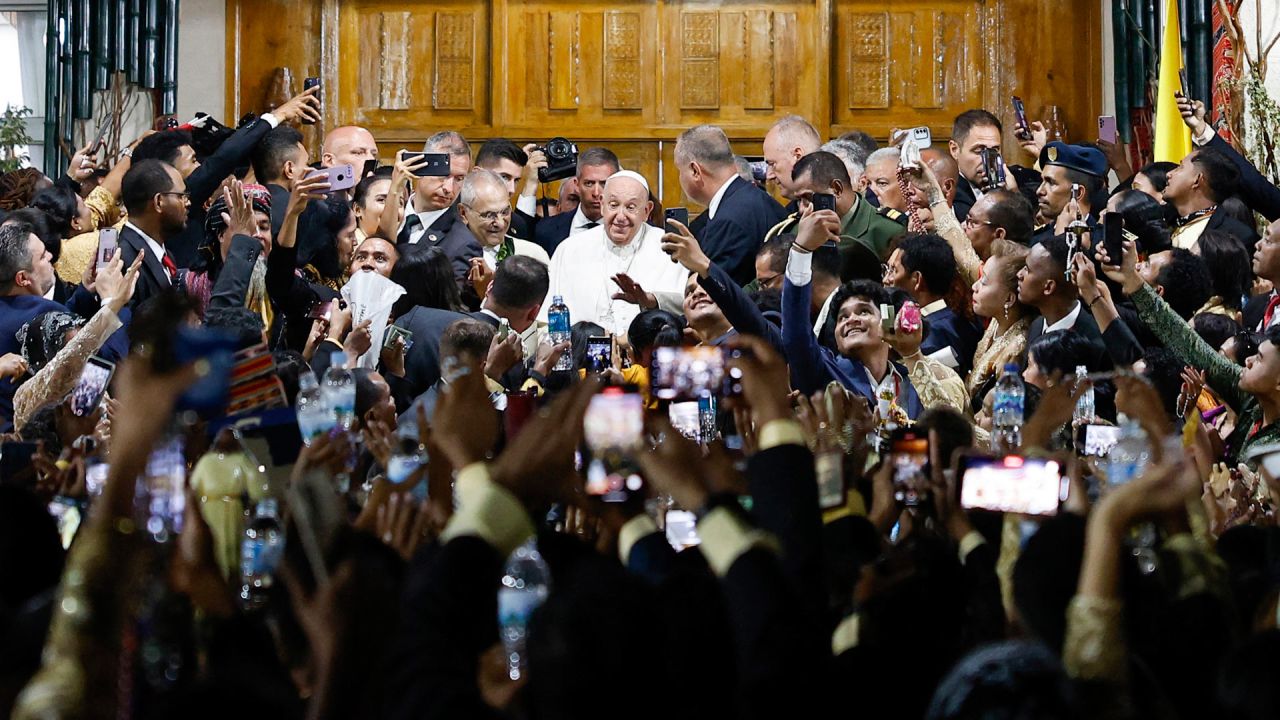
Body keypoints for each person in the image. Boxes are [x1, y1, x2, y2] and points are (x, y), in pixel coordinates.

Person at [129, 86, 319, 265]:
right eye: (194, 160)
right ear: (168, 172)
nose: (202, 166)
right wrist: (278, 115)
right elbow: (221, 160)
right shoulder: (178, 206)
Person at [542, 171, 687, 336]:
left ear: (647, 210)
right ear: (602, 205)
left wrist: (652, 300)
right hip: (583, 356)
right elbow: (547, 321)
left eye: (630, 207)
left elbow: (688, 309)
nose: (620, 216)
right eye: (613, 204)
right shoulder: (570, 249)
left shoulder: (670, 247)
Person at [672, 125, 785, 285]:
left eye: (679, 170)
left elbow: (715, 296)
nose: (680, 178)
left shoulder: (727, 221)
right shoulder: (760, 199)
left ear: (695, 171)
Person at [766, 150, 905, 275]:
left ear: (836, 189)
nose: (802, 209)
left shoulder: (888, 230)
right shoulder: (795, 232)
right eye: (799, 200)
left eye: (808, 198)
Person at [883, 234, 982, 377]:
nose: (886, 279)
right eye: (886, 270)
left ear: (917, 280)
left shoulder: (928, 337)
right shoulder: (957, 315)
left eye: (893, 270)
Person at [451, 169, 550, 306]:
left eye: (505, 212)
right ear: (463, 213)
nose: (500, 223)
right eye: (489, 215)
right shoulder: (453, 257)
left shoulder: (532, 254)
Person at [968, 240, 1035, 415]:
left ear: (1009, 299)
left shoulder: (1017, 348)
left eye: (984, 282)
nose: (975, 287)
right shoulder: (997, 320)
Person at [1018, 235, 1107, 362]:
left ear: (1048, 287)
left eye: (1027, 270)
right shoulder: (1037, 326)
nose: (1019, 274)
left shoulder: (1093, 345)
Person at [116, 160, 190, 308]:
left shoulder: (166, 255)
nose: (187, 203)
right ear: (158, 202)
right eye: (181, 196)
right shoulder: (123, 260)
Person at [947, 109, 1041, 221]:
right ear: (954, 150)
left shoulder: (1014, 179)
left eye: (995, 151)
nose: (988, 160)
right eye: (979, 151)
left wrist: (1040, 153)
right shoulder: (948, 193)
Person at [1163, 147, 1259, 250]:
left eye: (1180, 167)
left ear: (1197, 180)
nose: (1169, 174)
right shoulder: (1164, 224)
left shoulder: (1237, 237)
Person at [532, 147, 621, 254]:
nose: (596, 193)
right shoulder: (546, 229)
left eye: (604, 184)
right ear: (577, 184)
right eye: (589, 183)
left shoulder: (630, 228)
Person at [396, 131, 472, 246]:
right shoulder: (385, 213)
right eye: (443, 174)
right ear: (421, 165)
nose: (449, 188)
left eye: (459, 179)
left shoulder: (463, 243)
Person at [1031, 142, 1108, 246]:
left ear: (1078, 193)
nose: (1040, 191)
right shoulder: (1036, 241)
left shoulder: (1105, 245)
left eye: (1051, 183)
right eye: (1042, 181)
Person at [474, 138, 547, 240]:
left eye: (516, 180)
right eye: (504, 177)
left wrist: (531, 184)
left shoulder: (516, 223)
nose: (511, 190)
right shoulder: (452, 218)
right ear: (478, 173)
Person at [761, 115, 822, 202]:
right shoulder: (788, 212)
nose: (769, 175)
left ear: (797, 155)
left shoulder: (838, 210)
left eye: (772, 164)